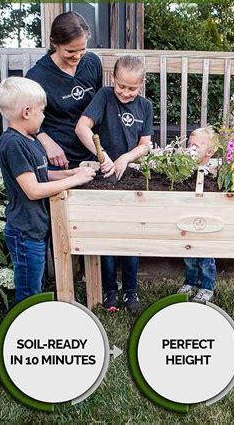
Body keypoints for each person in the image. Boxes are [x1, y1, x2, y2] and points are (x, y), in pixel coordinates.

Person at [0, 77, 96, 303]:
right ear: (27, 112)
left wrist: (69, 174)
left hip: (36, 227)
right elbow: (33, 190)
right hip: (25, 230)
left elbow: (41, 174)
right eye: (42, 111)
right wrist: (72, 181)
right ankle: (21, 330)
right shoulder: (13, 144)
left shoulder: (29, 140)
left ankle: (34, 323)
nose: (44, 116)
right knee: (29, 291)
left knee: (36, 283)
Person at [76, 55, 153, 312]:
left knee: (131, 237)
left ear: (141, 84)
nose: (125, 92)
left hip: (130, 178)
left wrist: (125, 158)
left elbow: (145, 145)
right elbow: (82, 128)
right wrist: (104, 157)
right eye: (121, 86)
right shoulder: (104, 97)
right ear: (113, 79)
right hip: (104, 177)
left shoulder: (145, 106)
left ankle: (131, 291)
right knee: (106, 238)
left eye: (132, 88)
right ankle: (110, 290)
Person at [26, 11, 103, 169]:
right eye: (70, 51)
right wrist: (47, 143)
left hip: (91, 152)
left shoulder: (92, 63)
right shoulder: (37, 76)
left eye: (82, 49)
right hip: (58, 157)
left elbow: (99, 104)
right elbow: (27, 120)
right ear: (55, 43)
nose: (77, 56)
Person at [177, 126, 217, 303]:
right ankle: (190, 282)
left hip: (206, 222)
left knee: (206, 258)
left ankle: (206, 287)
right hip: (188, 219)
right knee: (189, 256)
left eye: (196, 146)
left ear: (209, 152)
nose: (190, 149)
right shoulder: (184, 168)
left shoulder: (213, 170)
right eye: (189, 145)